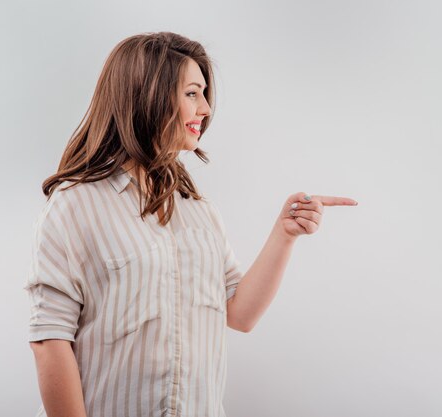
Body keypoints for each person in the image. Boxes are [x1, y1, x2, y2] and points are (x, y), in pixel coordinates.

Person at [24, 31, 358, 417]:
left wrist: (284, 235)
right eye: (191, 93)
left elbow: (240, 314)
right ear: (146, 95)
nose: (205, 109)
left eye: (204, 94)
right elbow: (49, 339)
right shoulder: (75, 206)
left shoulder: (199, 211)